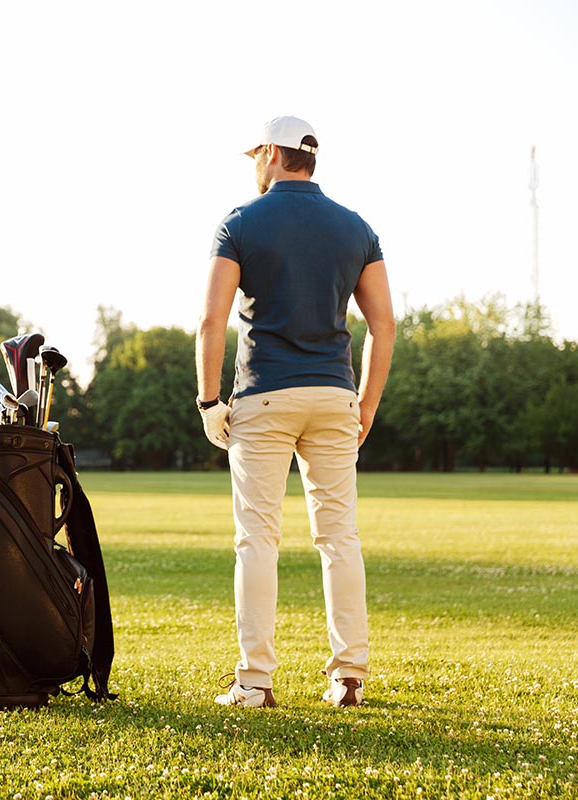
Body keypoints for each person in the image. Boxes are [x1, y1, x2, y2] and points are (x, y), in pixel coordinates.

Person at [194, 116, 395, 708]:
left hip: (264, 397)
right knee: (339, 538)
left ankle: (254, 682)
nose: (255, 164)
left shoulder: (240, 221)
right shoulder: (356, 227)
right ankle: (348, 677)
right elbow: (383, 327)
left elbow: (210, 320)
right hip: (335, 397)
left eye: (257, 154)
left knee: (257, 539)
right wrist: (368, 404)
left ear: (274, 156)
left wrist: (209, 401)